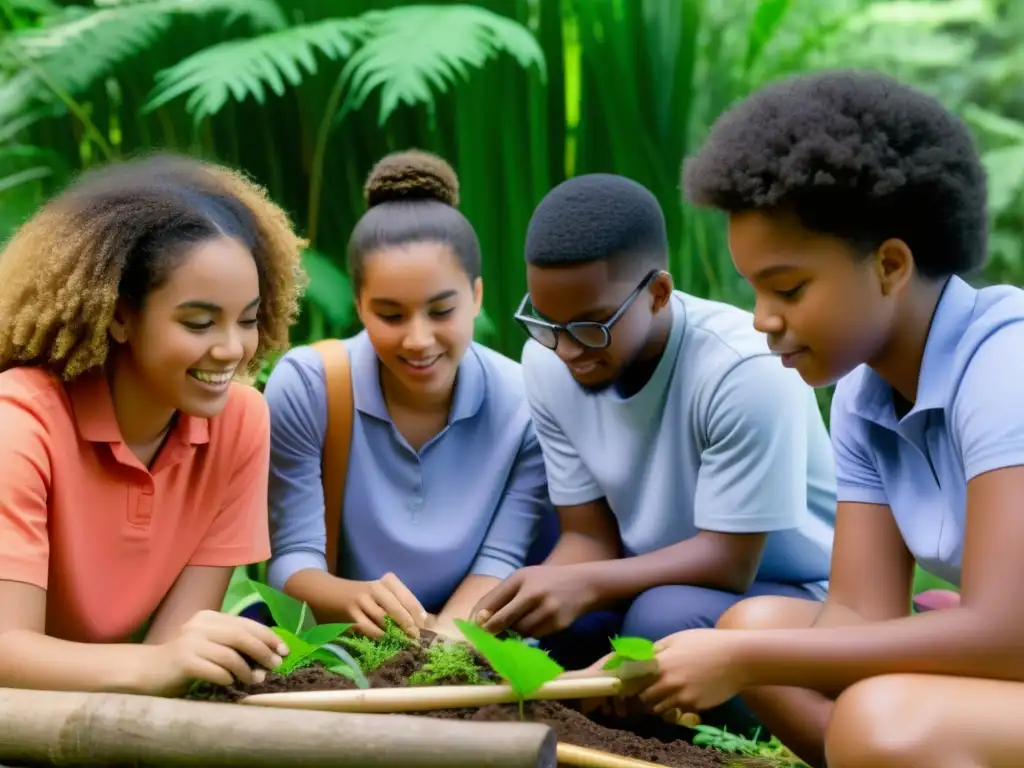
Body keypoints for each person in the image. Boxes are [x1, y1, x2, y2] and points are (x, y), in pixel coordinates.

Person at [610, 69, 1024, 768]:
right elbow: (860, 614)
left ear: (890, 265)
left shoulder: (1004, 366)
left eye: (790, 288)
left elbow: (1008, 635)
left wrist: (744, 659)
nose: (764, 319)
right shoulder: (866, 393)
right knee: (755, 623)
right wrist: (743, 651)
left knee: (871, 718)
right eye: (754, 289)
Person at [470, 171, 838, 674]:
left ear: (658, 293)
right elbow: (589, 538)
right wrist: (514, 610)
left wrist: (589, 583)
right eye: (548, 323)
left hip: (789, 597)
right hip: (651, 579)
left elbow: (729, 563)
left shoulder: (742, 370)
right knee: (562, 625)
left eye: (591, 325)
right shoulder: (547, 359)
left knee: (659, 621)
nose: (570, 350)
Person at [0, 154, 306, 695]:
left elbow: (176, 655)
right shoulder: (19, 425)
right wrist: (160, 664)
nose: (231, 349)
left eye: (249, 319)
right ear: (119, 315)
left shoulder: (240, 423)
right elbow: (6, 651)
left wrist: (175, 662)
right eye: (199, 321)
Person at [264, 149, 550, 641]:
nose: (418, 340)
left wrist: (443, 643)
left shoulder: (526, 399)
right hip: (343, 637)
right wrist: (353, 597)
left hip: (473, 628)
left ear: (477, 296)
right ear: (359, 306)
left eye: (442, 311)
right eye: (391, 316)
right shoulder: (310, 385)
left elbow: (501, 556)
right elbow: (292, 556)